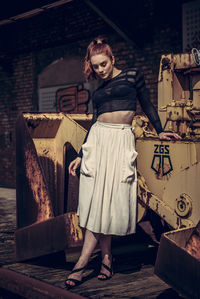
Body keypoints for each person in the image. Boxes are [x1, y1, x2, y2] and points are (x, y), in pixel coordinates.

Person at [65, 37, 180, 288]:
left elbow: (147, 104)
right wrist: (81, 154)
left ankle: (87, 263)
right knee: (97, 202)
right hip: (98, 143)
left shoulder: (132, 76)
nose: (100, 70)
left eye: (103, 64)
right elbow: (94, 124)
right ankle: (102, 259)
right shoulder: (97, 93)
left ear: (112, 59)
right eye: (95, 66)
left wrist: (159, 131)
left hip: (120, 143)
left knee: (110, 200)